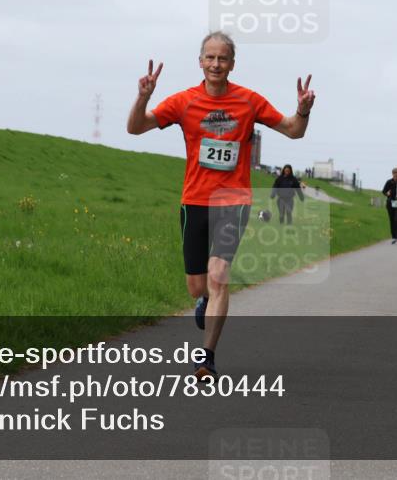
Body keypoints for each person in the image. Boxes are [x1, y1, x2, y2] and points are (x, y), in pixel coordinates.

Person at [127, 31, 315, 380]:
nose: (216, 64)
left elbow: (293, 131)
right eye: (210, 57)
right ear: (200, 62)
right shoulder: (183, 101)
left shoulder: (248, 101)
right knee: (197, 286)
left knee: (218, 277)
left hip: (233, 201)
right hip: (194, 201)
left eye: (223, 58)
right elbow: (136, 128)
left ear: (232, 63)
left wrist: (302, 111)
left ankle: (206, 358)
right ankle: (202, 303)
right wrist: (143, 97)